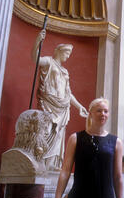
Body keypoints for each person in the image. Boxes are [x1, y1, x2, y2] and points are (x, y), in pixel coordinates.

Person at [42, 98, 124, 198]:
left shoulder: (116, 142)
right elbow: (65, 172)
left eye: (106, 111)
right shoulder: (75, 138)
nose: (103, 114)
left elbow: (118, 177)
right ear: (90, 113)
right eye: (99, 110)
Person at [32, 29, 88, 170]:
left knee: (58, 134)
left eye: (69, 54)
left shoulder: (65, 71)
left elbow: (68, 93)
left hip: (62, 107)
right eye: (66, 53)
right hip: (48, 102)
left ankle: (51, 164)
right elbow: (35, 59)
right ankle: (40, 162)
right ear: (58, 51)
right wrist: (37, 42)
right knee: (46, 130)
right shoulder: (48, 62)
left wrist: (79, 106)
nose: (67, 57)